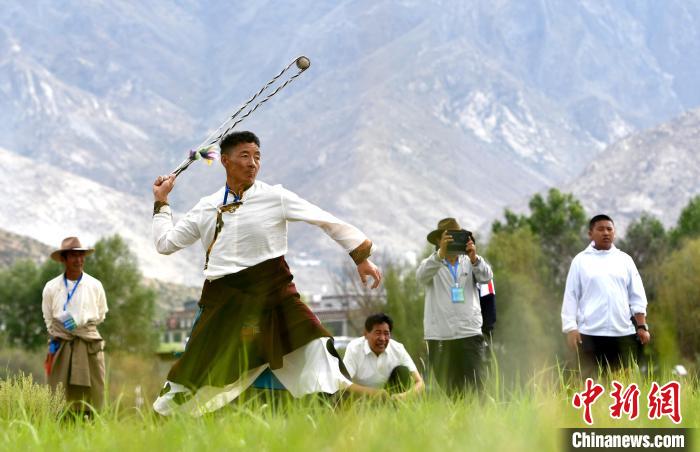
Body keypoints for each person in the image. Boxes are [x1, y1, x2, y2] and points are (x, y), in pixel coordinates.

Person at [151, 131, 383, 415]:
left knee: (320, 350)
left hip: (276, 296)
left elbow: (324, 219)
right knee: (191, 376)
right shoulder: (206, 207)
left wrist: (360, 257)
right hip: (225, 303)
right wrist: (161, 202)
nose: (253, 163)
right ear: (225, 161)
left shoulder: (276, 197)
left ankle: (328, 420)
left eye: (257, 157)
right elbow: (165, 244)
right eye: (245, 156)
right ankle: (162, 420)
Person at [561, 214, 650, 375]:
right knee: (589, 381)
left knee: (621, 381)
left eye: (609, 229)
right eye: (600, 229)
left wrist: (642, 326)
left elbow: (637, 295)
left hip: (623, 333)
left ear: (614, 233)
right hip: (590, 334)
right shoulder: (580, 261)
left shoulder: (625, 260)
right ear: (590, 234)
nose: (606, 233)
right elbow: (571, 296)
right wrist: (570, 328)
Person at [416, 218, 493, 393]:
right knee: (450, 390)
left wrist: (474, 258)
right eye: (449, 237)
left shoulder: (470, 261)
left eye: (457, 236)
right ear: (438, 240)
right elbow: (420, 277)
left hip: (470, 334)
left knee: (477, 388)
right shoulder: (431, 263)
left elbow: (487, 277)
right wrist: (440, 254)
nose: (453, 240)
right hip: (441, 336)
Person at [42, 237, 108, 411]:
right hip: (61, 343)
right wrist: (63, 332)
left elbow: (101, 315)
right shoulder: (51, 287)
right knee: (58, 393)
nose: (78, 260)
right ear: (64, 259)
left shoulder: (95, 285)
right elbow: (48, 319)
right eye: (73, 256)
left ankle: (91, 421)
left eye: (81, 255)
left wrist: (81, 329)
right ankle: (59, 423)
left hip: (89, 344)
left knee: (94, 391)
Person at [343, 313, 424, 400]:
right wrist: (374, 393)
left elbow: (420, 383)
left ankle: (394, 406)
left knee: (402, 371)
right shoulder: (354, 348)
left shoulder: (398, 349)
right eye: (378, 333)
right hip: (361, 397)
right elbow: (342, 382)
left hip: (390, 398)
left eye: (386, 333)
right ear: (366, 334)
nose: (382, 338)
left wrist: (403, 396)